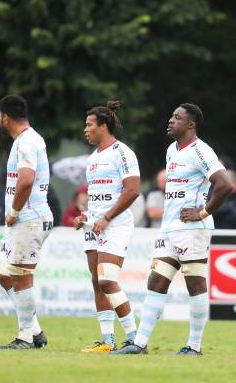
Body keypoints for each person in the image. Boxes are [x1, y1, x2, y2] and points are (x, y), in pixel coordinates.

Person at [111, 103, 233, 356]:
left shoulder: (201, 150)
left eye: (177, 118)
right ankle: (140, 344)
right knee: (156, 281)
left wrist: (202, 212)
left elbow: (224, 185)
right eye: (171, 116)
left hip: (193, 229)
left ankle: (194, 346)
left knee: (195, 284)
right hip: (169, 228)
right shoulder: (171, 150)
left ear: (191, 124)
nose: (170, 120)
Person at [71, 101, 141, 353]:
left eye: (89, 125)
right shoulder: (93, 158)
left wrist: (107, 218)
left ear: (103, 126)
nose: (85, 129)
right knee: (97, 281)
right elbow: (101, 197)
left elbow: (132, 190)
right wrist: (86, 216)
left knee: (107, 280)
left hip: (116, 225)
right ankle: (108, 341)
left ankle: (136, 340)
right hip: (95, 225)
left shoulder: (122, 152)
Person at [0, 94, 53, 349]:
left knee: (21, 276)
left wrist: (15, 211)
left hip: (28, 218)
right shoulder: (26, 140)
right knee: (4, 273)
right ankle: (36, 332)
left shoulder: (26, 142)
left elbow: (26, 179)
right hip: (22, 220)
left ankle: (25, 337)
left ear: (5, 117)